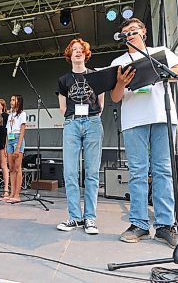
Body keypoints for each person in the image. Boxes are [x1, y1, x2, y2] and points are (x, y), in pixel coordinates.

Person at [110, 17, 178, 248]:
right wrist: (122, 83)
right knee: (137, 172)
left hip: (163, 117)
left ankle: (165, 225)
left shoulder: (160, 52)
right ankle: (139, 224)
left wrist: (160, 73)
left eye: (134, 30)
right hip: (134, 121)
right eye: (126, 32)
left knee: (163, 170)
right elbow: (115, 97)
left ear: (143, 32)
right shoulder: (119, 61)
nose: (130, 34)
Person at [56, 38, 104, 235]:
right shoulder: (63, 80)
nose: (77, 52)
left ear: (86, 54)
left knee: (92, 172)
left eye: (80, 49)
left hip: (92, 122)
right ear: (70, 55)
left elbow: (101, 101)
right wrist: (74, 119)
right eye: (74, 50)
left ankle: (90, 218)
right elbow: (62, 107)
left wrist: (93, 118)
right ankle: (75, 217)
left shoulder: (96, 76)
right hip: (72, 123)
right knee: (70, 172)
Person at [5, 94, 26, 203]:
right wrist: (6, 145)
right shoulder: (10, 115)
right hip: (10, 139)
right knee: (11, 169)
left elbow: (22, 130)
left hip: (18, 139)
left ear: (18, 101)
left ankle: (17, 194)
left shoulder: (22, 114)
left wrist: (18, 147)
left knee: (18, 168)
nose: (11, 101)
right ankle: (12, 192)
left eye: (13, 100)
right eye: (11, 99)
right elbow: (8, 131)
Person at [0, 98, 10, 199]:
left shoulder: (6, 116)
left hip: (2, 142)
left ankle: (6, 189)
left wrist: (6, 146)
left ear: (3, 106)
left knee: (4, 165)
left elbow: (7, 132)